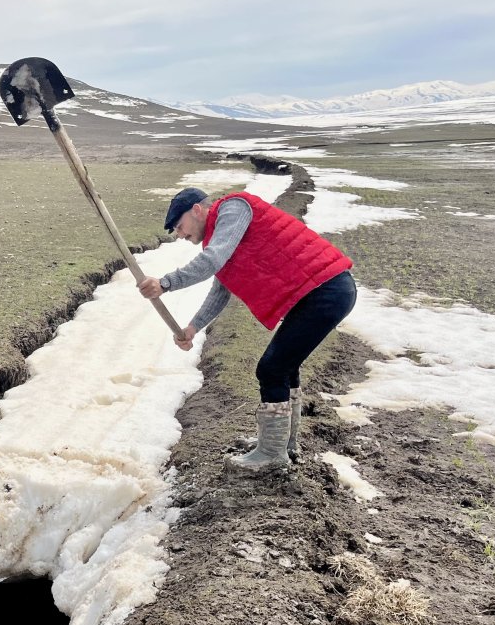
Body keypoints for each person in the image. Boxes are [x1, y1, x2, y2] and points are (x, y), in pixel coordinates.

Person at [138, 187, 357, 473]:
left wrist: (166, 283)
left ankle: (271, 453)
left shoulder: (234, 208)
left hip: (325, 290)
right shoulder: (220, 235)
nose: (180, 235)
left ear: (197, 210)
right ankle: (282, 444)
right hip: (318, 293)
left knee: (271, 369)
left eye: (179, 226)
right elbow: (221, 290)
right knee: (285, 368)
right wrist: (193, 328)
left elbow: (213, 260)